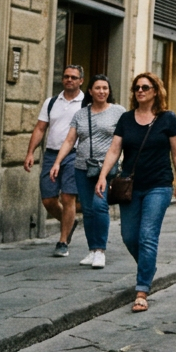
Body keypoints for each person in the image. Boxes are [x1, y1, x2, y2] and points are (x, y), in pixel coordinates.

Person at [95, 73, 176, 313]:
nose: (140, 91)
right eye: (136, 87)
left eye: (145, 87)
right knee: (129, 236)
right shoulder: (126, 119)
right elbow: (115, 150)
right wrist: (103, 175)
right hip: (131, 187)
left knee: (147, 235)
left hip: (159, 185)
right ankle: (148, 267)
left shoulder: (168, 119)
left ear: (156, 91)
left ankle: (142, 289)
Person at [51, 74, 124, 268]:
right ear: (90, 91)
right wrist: (58, 162)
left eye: (105, 88)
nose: (102, 91)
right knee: (89, 210)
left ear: (109, 91)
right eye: (98, 88)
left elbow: (125, 139)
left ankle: (100, 250)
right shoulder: (81, 114)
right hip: (82, 167)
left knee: (100, 206)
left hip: (107, 168)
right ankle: (92, 250)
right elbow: (69, 140)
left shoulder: (119, 112)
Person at [24, 65, 86, 257]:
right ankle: (70, 222)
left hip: (75, 154)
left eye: (74, 77)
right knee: (48, 199)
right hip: (51, 154)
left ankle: (62, 241)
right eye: (66, 76)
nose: (69, 80)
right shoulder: (51, 102)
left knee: (68, 197)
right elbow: (41, 128)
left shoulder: (86, 103)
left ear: (81, 81)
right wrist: (30, 152)